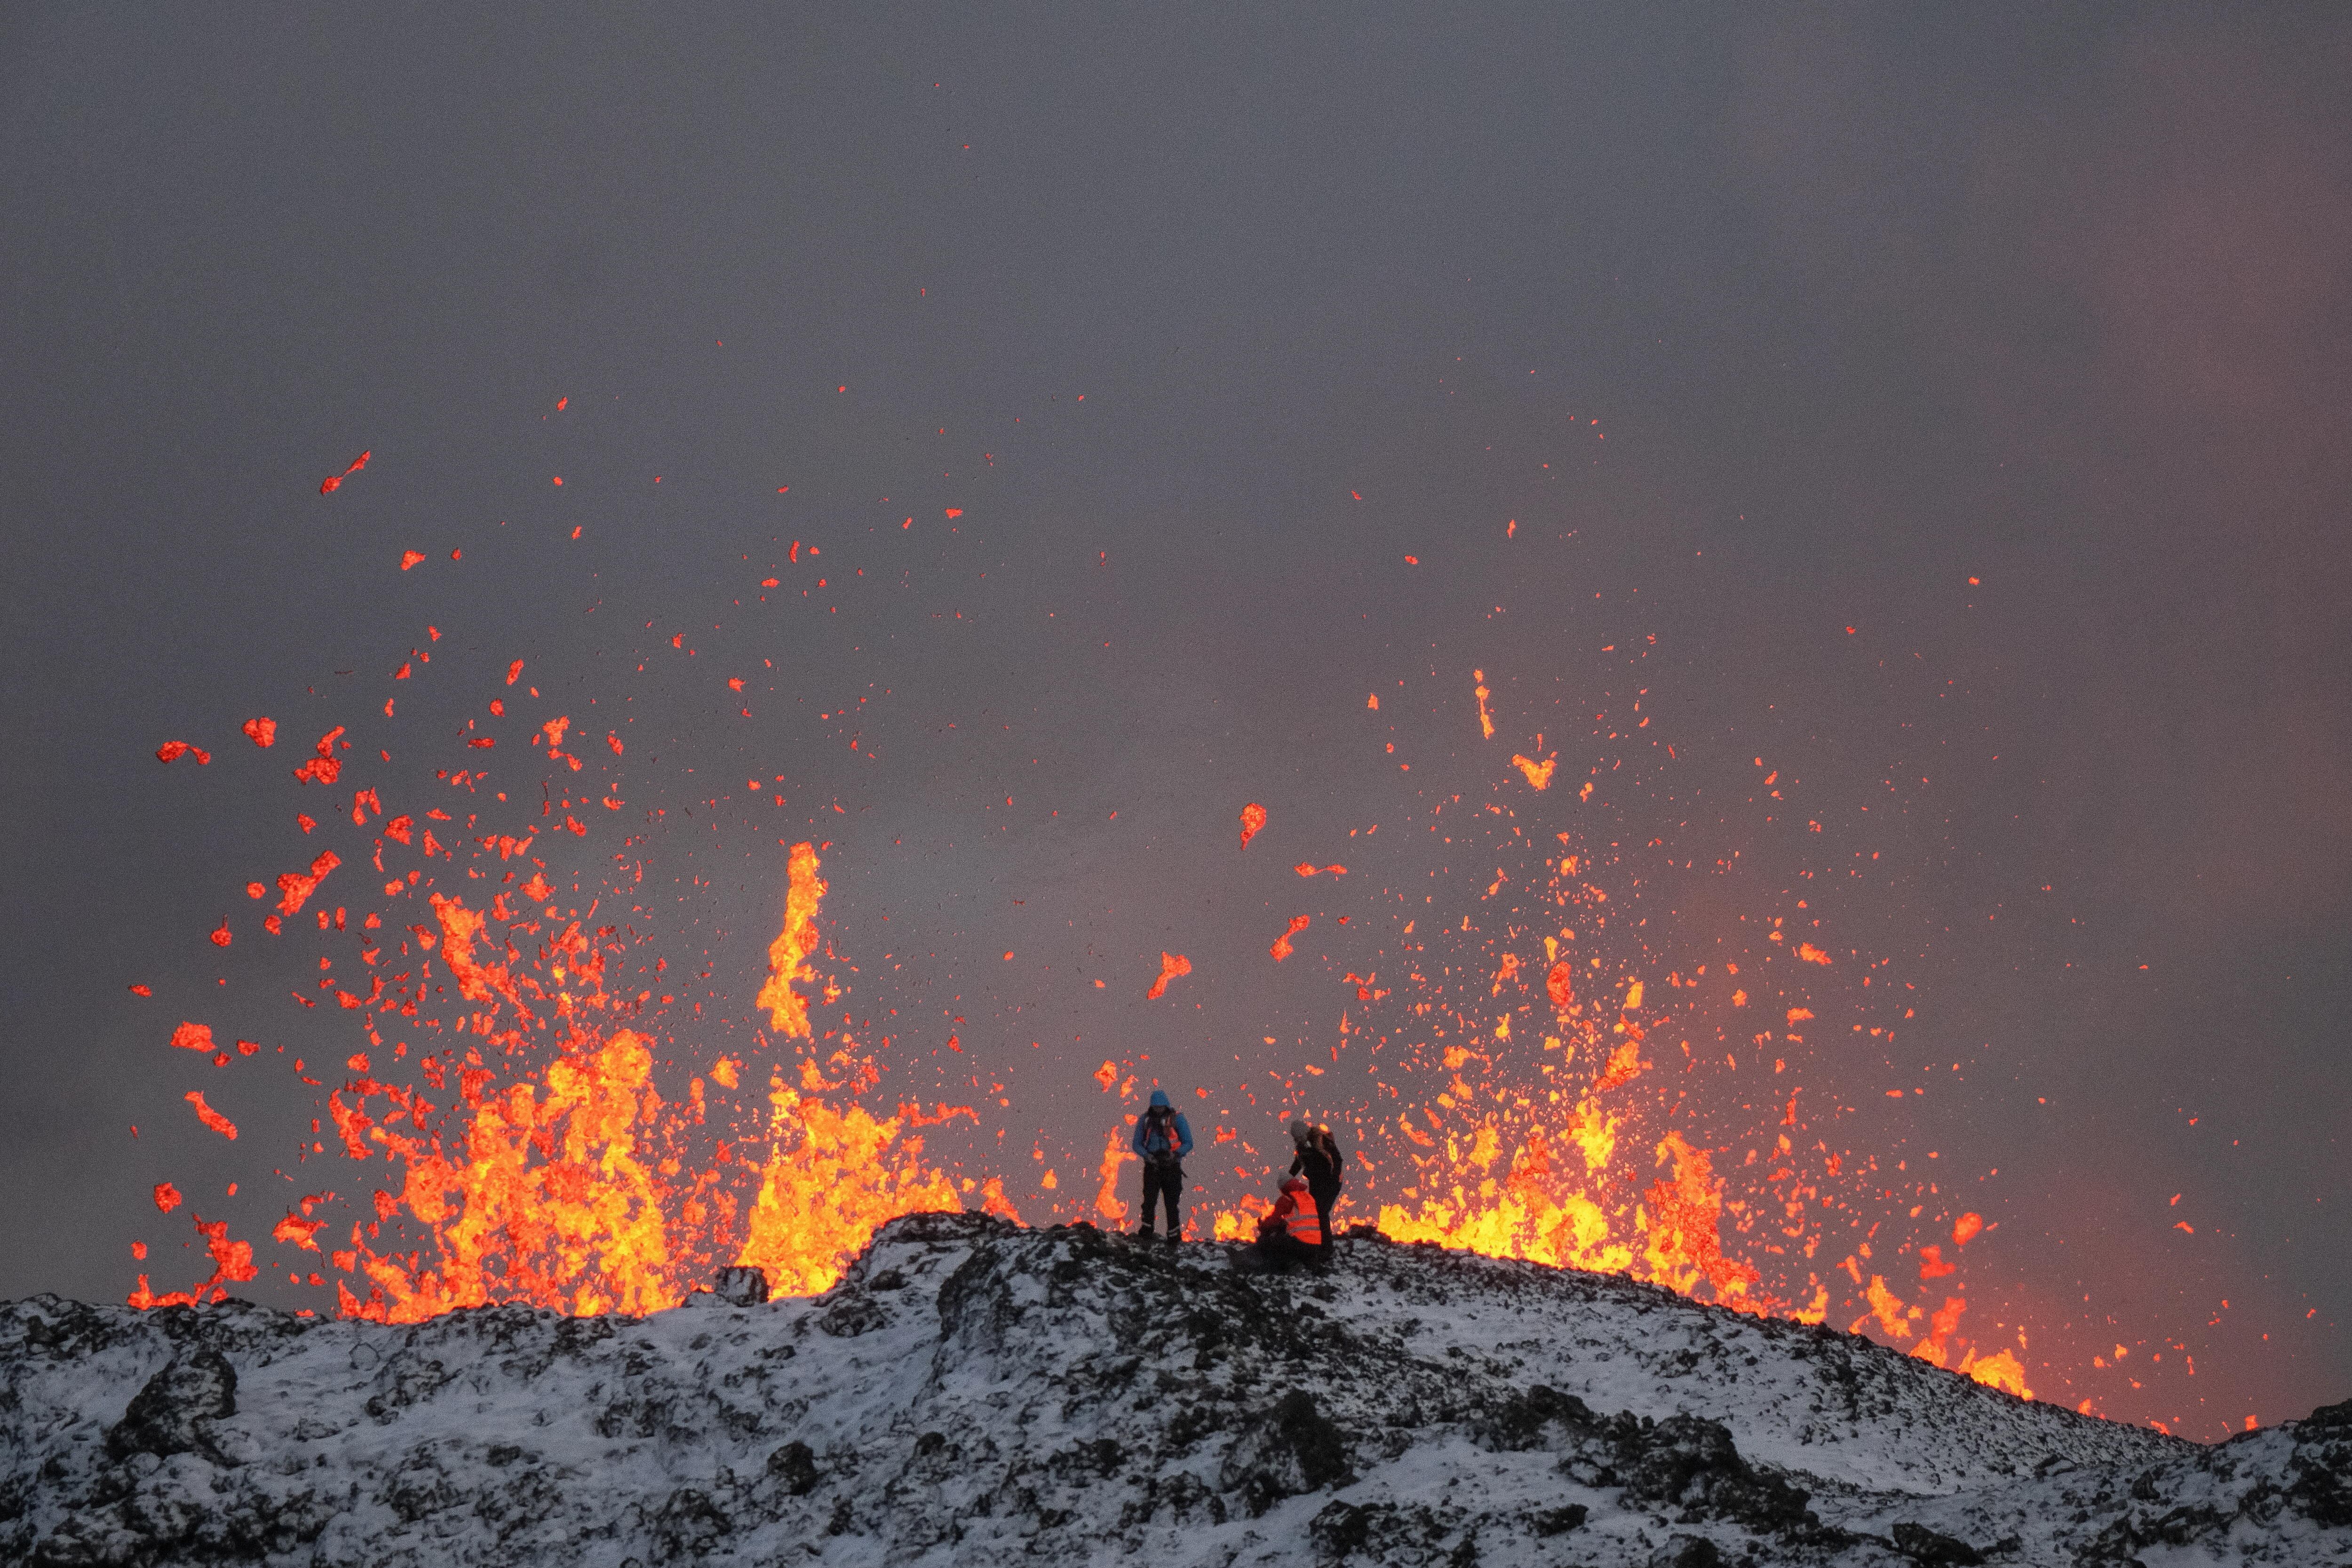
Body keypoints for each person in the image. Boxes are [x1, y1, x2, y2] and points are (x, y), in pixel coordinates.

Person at [1131, 1088, 1193, 1241]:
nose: (1158, 1110)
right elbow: (1136, 1144)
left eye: (1161, 1107)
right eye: (1156, 1107)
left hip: (1171, 1166)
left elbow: (1188, 1142)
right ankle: (1146, 1233)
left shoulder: (1177, 1120)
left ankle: (1174, 1237)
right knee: (1149, 1201)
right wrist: (1147, 1156)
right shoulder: (1145, 1120)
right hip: (1153, 1166)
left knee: (1172, 1203)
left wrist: (1176, 1154)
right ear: (1151, 1106)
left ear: (1166, 1106)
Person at [1287, 1117, 1345, 1252]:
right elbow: (1298, 1163)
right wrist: (1289, 1178)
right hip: (1316, 1183)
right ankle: (1318, 1244)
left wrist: (1335, 1175)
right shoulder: (1302, 1147)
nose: (1299, 1140)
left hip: (1330, 1183)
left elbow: (1337, 1158)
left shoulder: (1321, 1140)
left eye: (1300, 1136)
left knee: (1322, 1212)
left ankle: (1327, 1249)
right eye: (1297, 1138)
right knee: (1316, 1213)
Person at [1252, 1176, 1325, 1269]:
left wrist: (1263, 1226)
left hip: (1299, 1245)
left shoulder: (1287, 1199)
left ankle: (1271, 1267)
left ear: (1284, 1188)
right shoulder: (1309, 1197)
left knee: (1267, 1242)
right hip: (1315, 1247)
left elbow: (1273, 1221)